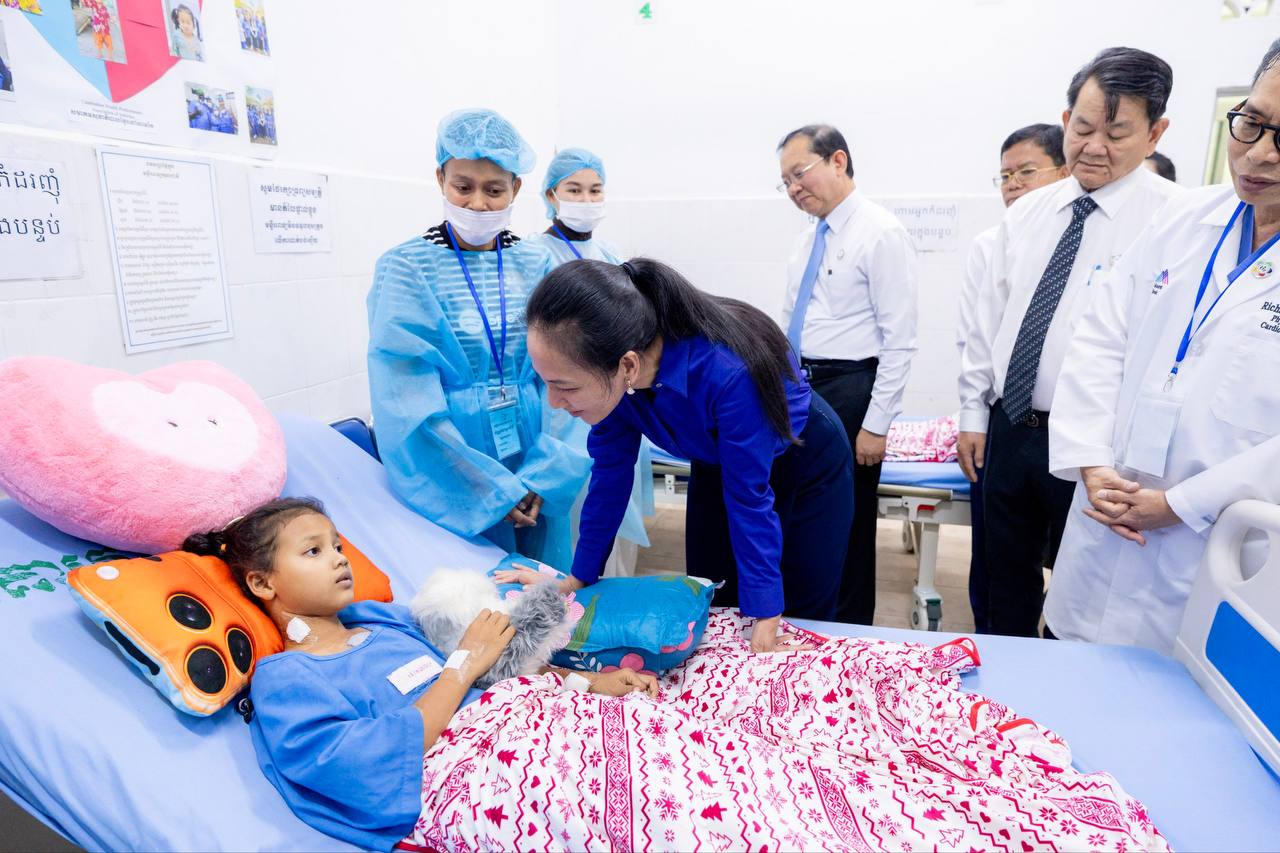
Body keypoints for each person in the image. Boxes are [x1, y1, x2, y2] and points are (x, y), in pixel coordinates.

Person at [181, 497, 654, 851]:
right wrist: (462, 667)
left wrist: (586, 683)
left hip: (530, 719)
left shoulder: (384, 621)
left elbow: (493, 668)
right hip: (483, 776)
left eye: (338, 546)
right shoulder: (286, 678)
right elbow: (358, 764)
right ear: (262, 582)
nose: (340, 558)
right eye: (313, 551)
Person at [1044, 38, 1280, 652]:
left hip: (1218, 548)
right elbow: (1101, 338)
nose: (1259, 153)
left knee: (1186, 693)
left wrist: (1182, 503)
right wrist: (1092, 461)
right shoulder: (1184, 219)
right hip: (1106, 519)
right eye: (1252, 123)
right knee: (1070, 669)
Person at [511, 257, 854, 653]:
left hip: (802, 459)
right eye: (546, 384)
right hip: (716, 461)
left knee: (793, 616)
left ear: (627, 365)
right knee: (712, 599)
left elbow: (749, 498)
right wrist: (579, 577)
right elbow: (610, 478)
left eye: (565, 387)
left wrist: (766, 618)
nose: (554, 402)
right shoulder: (617, 373)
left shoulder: (726, 371)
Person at [957, 47, 1182, 638]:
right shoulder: (1029, 212)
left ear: (1155, 134)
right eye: (1082, 129)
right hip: (1012, 427)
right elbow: (989, 320)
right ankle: (1002, 680)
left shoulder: (1176, 222)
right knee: (1001, 583)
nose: (1093, 147)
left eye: (1117, 133)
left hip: (1099, 448)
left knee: (1080, 596)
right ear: (1065, 121)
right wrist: (973, 413)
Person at [367, 109, 591, 572]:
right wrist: (485, 490)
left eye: (494, 190)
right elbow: (405, 399)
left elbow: (574, 373)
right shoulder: (406, 269)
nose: (478, 204)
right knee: (468, 587)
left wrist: (544, 475)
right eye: (463, 187)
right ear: (440, 179)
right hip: (453, 455)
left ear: (517, 188)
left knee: (541, 584)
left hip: (535, 436)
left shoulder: (537, 264)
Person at [777, 123, 919, 625]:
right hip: (802, 387)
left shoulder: (881, 232)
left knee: (849, 525)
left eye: (800, 174)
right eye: (785, 182)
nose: (794, 189)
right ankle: (803, 621)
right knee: (803, 516)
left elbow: (900, 339)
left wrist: (876, 425)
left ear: (837, 161)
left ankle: (849, 630)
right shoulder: (807, 239)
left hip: (850, 388)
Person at [958, 123, 1069, 633]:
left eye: (1026, 171)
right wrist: (972, 414)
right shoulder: (992, 243)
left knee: (1072, 565)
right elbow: (975, 335)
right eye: (1004, 176)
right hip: (1009, 417)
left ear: (1064, 172)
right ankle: (1000, 648)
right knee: (1001, 564)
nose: (1013, 185)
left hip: (1072, 425)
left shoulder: (1103, 233)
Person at [529, 147, 655, 576]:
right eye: (574, 190)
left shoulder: (611, 252)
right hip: (567, 418)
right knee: (575, 522)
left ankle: (612, 599)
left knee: (616, 511)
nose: (586, 199)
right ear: (551, 194)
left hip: (619, 400)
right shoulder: (536, 256)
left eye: (595, 190)